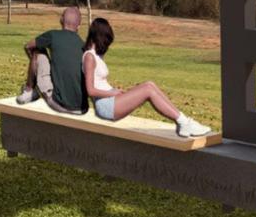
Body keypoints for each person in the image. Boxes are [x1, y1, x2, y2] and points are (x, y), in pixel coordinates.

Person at [82, 18, 211, 138]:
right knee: (148, 88)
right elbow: (90, 90)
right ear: (100, 35)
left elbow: (99, 82)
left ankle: (183, 121)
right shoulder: (89, 57)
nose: (107, 43)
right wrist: (111, 92)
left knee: (150, 85)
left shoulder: (96, 56)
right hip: (106, 106)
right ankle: (184, 122)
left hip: (111, 100)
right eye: (107, 38)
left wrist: (113, 92)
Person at [17, 7, 87, 114]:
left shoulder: (53, 35)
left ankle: (29, 90)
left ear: (61, 20)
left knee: (36, 50)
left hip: (59, 104)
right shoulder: (84, 46)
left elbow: (28, 46)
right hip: (81, 108)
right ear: (79, 25)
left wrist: (35, 68)